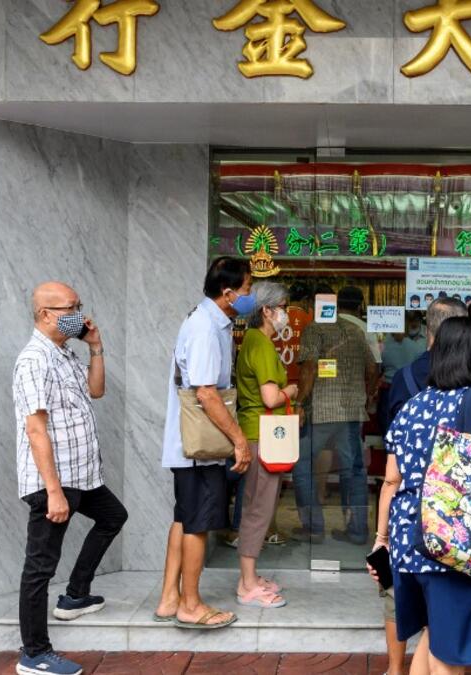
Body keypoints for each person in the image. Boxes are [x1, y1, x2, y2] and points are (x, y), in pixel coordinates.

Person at [377, 317, 471, 675]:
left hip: (410, 539)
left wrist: (381, 541)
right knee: (449, 654)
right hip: (452, 542)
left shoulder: (413, 405)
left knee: (433, 636)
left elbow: (391, 478)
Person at [11, 283, 126, 675]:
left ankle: (75, 595)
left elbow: (96, 390)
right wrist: (54, 492)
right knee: (40, 567)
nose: (79, 312)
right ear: (45, 314)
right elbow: (36, 430)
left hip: (83, 474)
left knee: (113, 516)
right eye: (70, 308)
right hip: (55, 482)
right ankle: (34, 653)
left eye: (79, 305)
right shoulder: (34, 360)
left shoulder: (62, 352)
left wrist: (95, 345)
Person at [154, 257, 252, 631]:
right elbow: (208, 394)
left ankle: (169, 598)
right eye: (246, 288)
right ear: (227, 293)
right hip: (198, 448)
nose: (250, 295)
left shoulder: (211, 322)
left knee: (183, 517)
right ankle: (191, 604)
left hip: (189, 446)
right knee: (196, 523)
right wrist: (239, 440)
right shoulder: (205, 328)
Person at [294, 286, 379, 545]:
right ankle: (356, 530)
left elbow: (308, 369)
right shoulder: (355, 331)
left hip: (320, 411)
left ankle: (314, 528)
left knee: (302, 466)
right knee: (353, 471)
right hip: (351, 412)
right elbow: (373, 367)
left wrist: (299, 402)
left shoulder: (314, 330)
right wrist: (368, 394)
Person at [231, 282, 294, 608]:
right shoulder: (261, 345)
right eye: (282, 306)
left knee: (259, 505)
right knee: (259, 509)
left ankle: (250, 576)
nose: (286, 312)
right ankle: (247, 583)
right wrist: (292, 391)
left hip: (260, 433)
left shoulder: (254, 342)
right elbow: (270, 397)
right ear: (266, 311)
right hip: (262, 435)